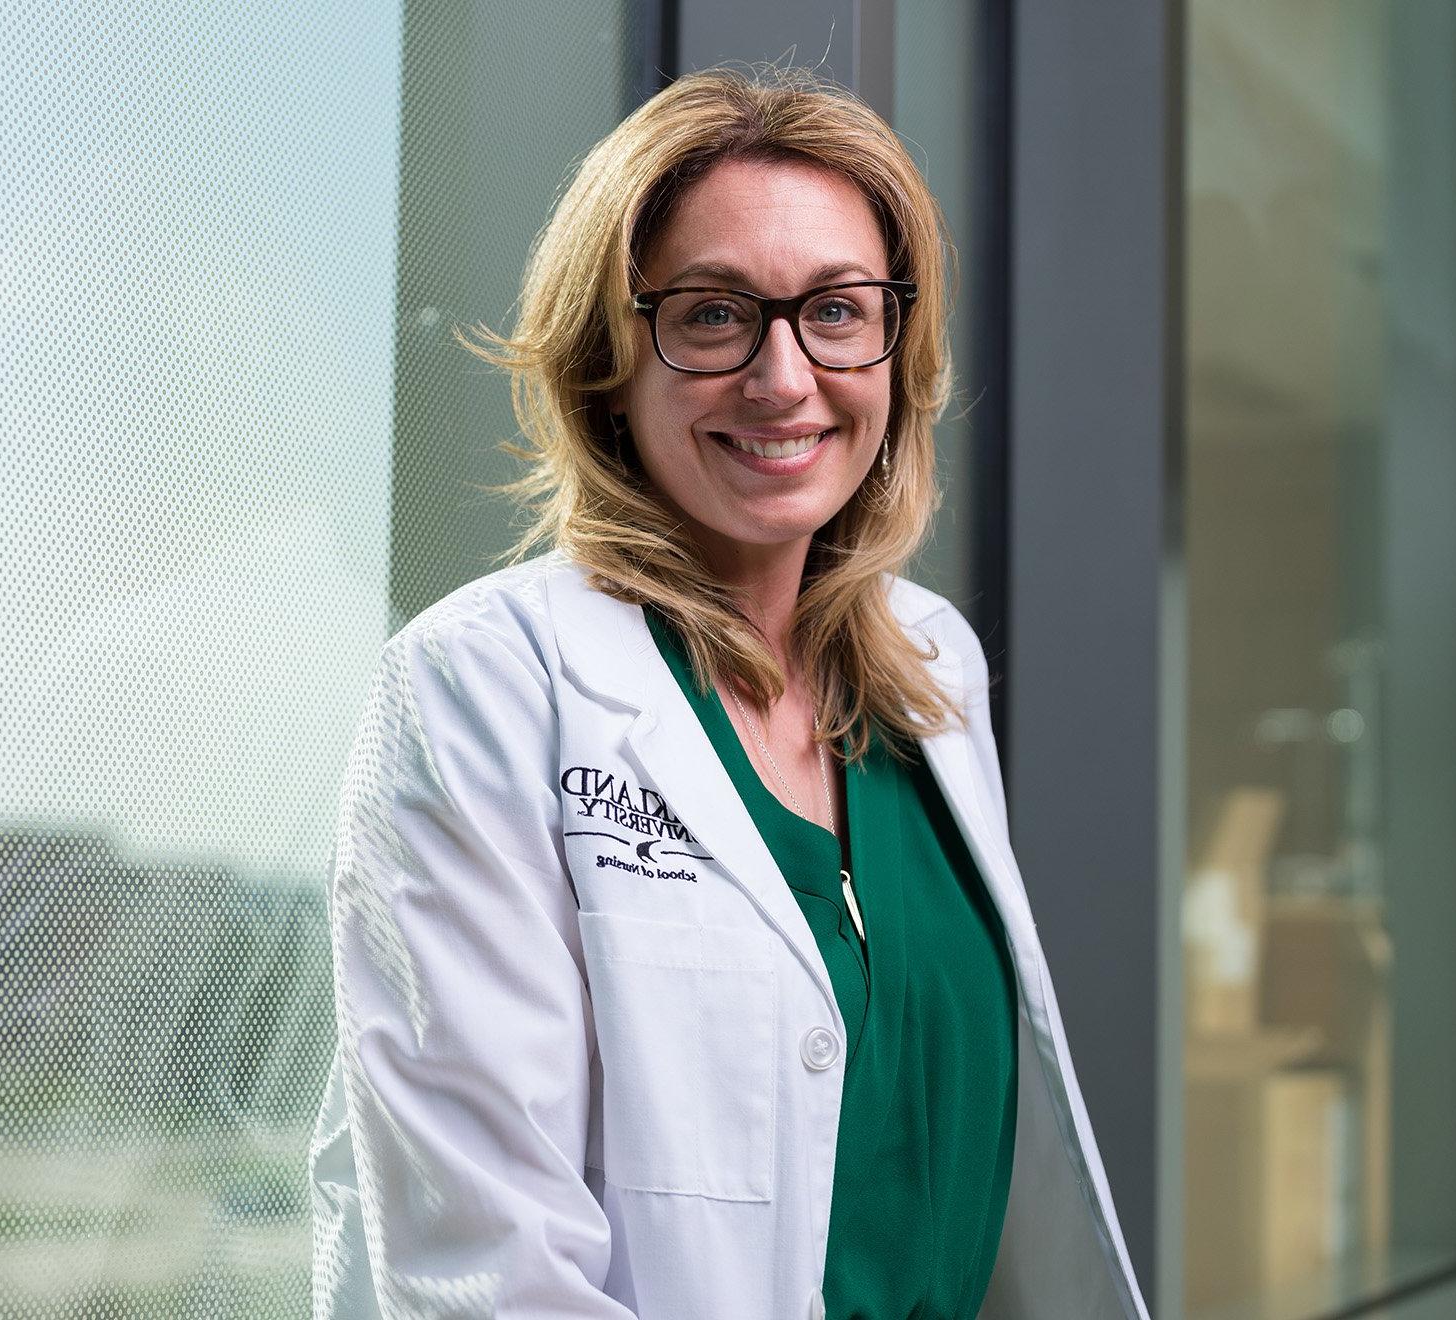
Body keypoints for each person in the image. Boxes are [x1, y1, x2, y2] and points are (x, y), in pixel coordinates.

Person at [305, 64, 1149, 1320]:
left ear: (894, 346)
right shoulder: (482, 686)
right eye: (711, 316)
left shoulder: (931, 670)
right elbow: (484, 1270)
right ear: (607, 357)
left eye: (837, 312)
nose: (782, 376)